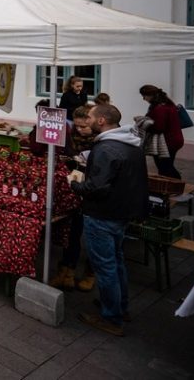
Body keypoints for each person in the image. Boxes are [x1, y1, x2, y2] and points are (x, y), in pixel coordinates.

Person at [69, 103, 148, 336]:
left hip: (102, 213)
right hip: (122, 212)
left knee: (106, 266)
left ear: (102, 121)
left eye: (91, 117)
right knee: (116, 260)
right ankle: (119, 307)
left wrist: (74, 184)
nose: (88, 120)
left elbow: (96, 187)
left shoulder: (105, 148)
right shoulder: (131, 144)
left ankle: (111, 318)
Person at [50, 105, 96, 292]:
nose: (80, 130)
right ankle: (66, 272)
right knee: (73, 234)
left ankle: (90, 273)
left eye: (84, 126)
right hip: (74, 191)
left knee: (92, 238)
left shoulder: (100, 143)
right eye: (77, 126)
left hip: (92, 194)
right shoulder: (70, 138)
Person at [137, 84, 184, 179]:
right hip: (175, 139)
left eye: (144, 96)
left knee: (165, 167)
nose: (144, 99)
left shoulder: (160, 108)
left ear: (150, 95)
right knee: (167, 165)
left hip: (167, 142)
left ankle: (175, 185)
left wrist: (143, 124)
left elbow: (159, 127)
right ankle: (173, 185)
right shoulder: (167, 104)